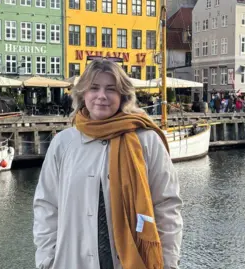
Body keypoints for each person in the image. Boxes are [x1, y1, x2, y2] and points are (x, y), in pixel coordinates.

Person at [33, 60, 183, 269]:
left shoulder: (146, 141)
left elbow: (166, 206)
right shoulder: (64, 143)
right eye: (94, 88)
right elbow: (47, 206)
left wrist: (168, 264)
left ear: (122, 95)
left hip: (134, 261)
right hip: (72, 261)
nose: (101, 96)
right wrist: (46, 261)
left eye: (111, 89)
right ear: (82, 93)